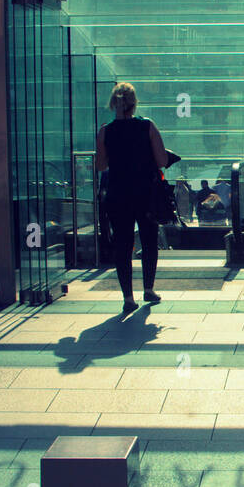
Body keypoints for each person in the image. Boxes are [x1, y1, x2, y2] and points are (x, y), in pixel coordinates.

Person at [96, 81, 169, 314]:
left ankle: (128, 297)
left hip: (118, 195)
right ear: (134, 103)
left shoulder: (105, 131)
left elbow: (100, 165)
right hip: (145, 194)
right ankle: (148, 289)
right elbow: (162, 161)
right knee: (149, 242)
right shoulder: (147, 126)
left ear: (113, 103)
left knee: (123, 245)